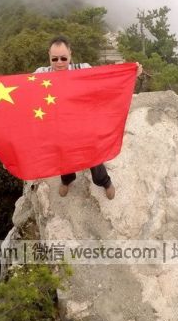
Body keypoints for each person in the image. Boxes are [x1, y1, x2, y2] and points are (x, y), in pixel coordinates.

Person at [35, 35, 141, 200]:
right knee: (64, 156)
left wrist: (130, 72)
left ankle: (104, 181)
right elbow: (21, 88)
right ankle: (67, 180)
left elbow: (106, 79)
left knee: (93, 155)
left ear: (70, 54)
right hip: (59, 126)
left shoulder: (83, 69)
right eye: (54, 58)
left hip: (84, 124)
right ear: (49, 55)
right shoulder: (41, 74)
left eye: (63, 58)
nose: (59, 62)